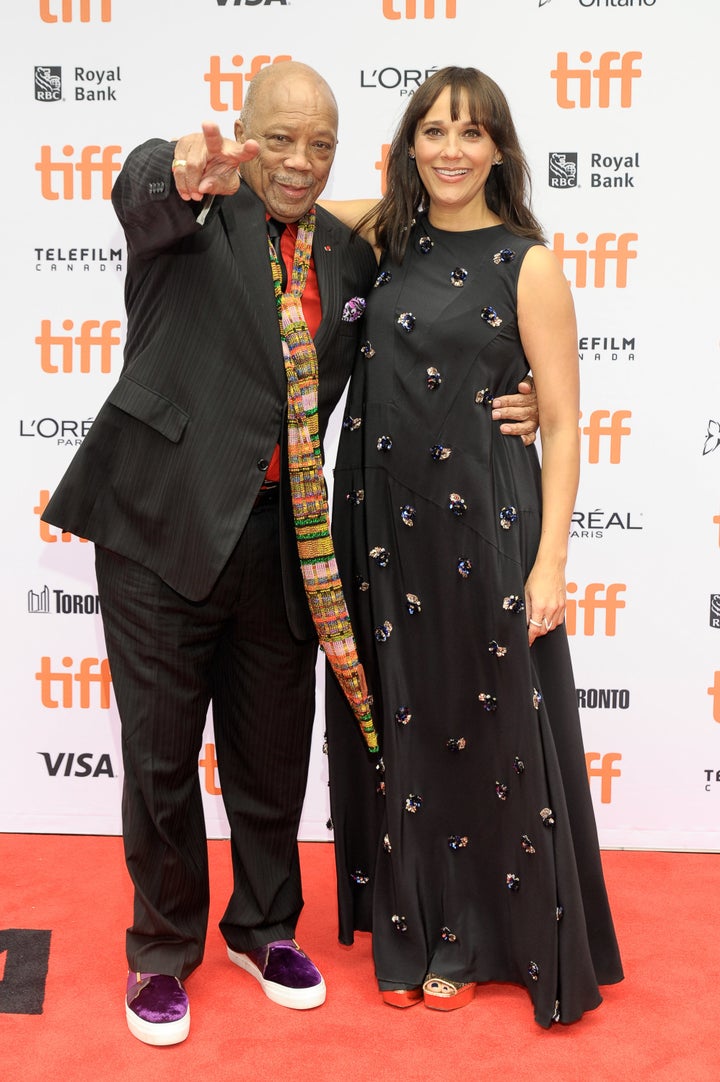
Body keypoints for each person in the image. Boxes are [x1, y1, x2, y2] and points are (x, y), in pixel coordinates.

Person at [41, 59, 543, 1046]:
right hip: (160, 526)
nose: (300, 161)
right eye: (279, 139)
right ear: (240, 132)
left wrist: (522, 392)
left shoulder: (345, 255)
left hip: (287, 537)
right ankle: (161, 946)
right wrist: (181, 166)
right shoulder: (189, 215)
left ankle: (265, 925)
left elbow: (443, 279)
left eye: (321, 142)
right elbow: (140, 185)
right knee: (159, 757)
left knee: (270, 749)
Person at [322, 66, 623, 1028]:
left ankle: (479, 938)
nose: (452, 149)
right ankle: (416, 924)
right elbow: (290, 196)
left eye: (471, 132)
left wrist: (552, 564)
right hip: (381, 531)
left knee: (490, 731)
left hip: (486, 524)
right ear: (409, 143)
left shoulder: (528, 262)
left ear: (501, 147)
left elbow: (567, 424)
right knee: (408, 726)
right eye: (433, 131)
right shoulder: (385, 237)